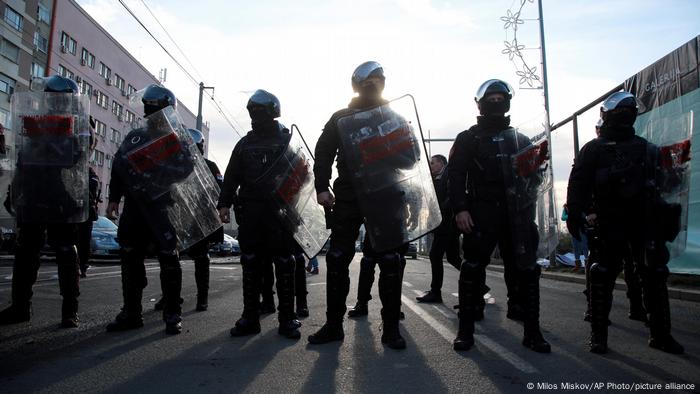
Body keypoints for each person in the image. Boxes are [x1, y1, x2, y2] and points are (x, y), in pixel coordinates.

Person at [308, 61, 423, 350]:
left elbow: (411, 157)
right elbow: (322, 153)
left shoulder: (394, 117)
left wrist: (383, 150)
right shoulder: (341, 117)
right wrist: (322, 187)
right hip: (348, 193)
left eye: (378, 79)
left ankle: (391, 328)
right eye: (368, 80)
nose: (374, 84)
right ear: (357, 83)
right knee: (336, 258)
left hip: (386, 193)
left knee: (390, 261)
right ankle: (333, 325)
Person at [566, 91, 684, 354]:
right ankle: (598, 335)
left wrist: (677, 167)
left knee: (654, 275)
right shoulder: (594, 149)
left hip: (643, 220)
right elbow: (578, 184)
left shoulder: (647, 148)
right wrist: (575, 213)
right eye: (619, 111)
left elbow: (666, 184)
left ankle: (661, 334)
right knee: (602, 275)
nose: (624, 114)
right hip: (610, 221)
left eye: (627, 110)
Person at [449, 79, 551, 353]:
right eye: (490, 98)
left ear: (507, 101)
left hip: (516, 213)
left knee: (527, 270)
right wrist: (460, 209)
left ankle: (533, 332)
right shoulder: (468, 138)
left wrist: (539, 161)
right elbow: (456, 176)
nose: (496, 102)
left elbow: (533, 180)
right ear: (481, 103)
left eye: (500, 98)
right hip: (481, 211)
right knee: (472, 268)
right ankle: (465, 331)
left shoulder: (520, 139)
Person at [105, 84, 194, 335]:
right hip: (135, 207)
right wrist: (113, 198)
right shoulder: (135, 136)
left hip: (161, 206)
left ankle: (172, 312)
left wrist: (158, 173)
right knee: (130, 256)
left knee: (168, 258)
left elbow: (186, 168)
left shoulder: (175, 138)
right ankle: (131, 312)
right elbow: (119, 167)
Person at [0, 75, 88, 328]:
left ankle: (70, 310)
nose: (53, 102)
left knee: (64, 251)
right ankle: (20, 306)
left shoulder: (80, 124)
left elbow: (77, 160)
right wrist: (14, 193)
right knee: (26, 252)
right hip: (34, 195)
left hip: (61, 197)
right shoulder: (35, 122)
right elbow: (22, 160)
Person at [217, 89, 301, 339]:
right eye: (253, 112)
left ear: (272, 112)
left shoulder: (287, 141)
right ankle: (250, 317)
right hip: (252, 212)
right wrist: (224, 203)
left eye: (260, 112)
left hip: (280, 211)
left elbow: (302, 174)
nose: (255, 116)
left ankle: (287, 319)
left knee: (285, 263)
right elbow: (231, 176)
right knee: (251, 262)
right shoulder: (244, 144)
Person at [153, 128, 223, 312]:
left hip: (199, 219)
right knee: (168, 258)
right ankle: (169, 296)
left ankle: (202, 298)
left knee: (201, 258)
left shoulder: (209, 165)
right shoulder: (172, 165)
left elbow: (219, 189)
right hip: (177, 216)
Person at [416, 154, 461, 303]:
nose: (431, 166)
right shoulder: (437, 178)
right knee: (453, 258)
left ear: (441, 163)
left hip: (447, 223)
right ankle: (480, 285)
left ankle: (436, 292)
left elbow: (451, 197)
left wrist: (439, 212)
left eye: (433, 163)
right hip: (446, 225)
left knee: (435, 255)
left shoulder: (449, 175)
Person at [77, 117, 101, 278]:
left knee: (81, 241)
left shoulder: (89, 172)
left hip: (84, 209)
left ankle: (82, 265)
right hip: (78, 208)